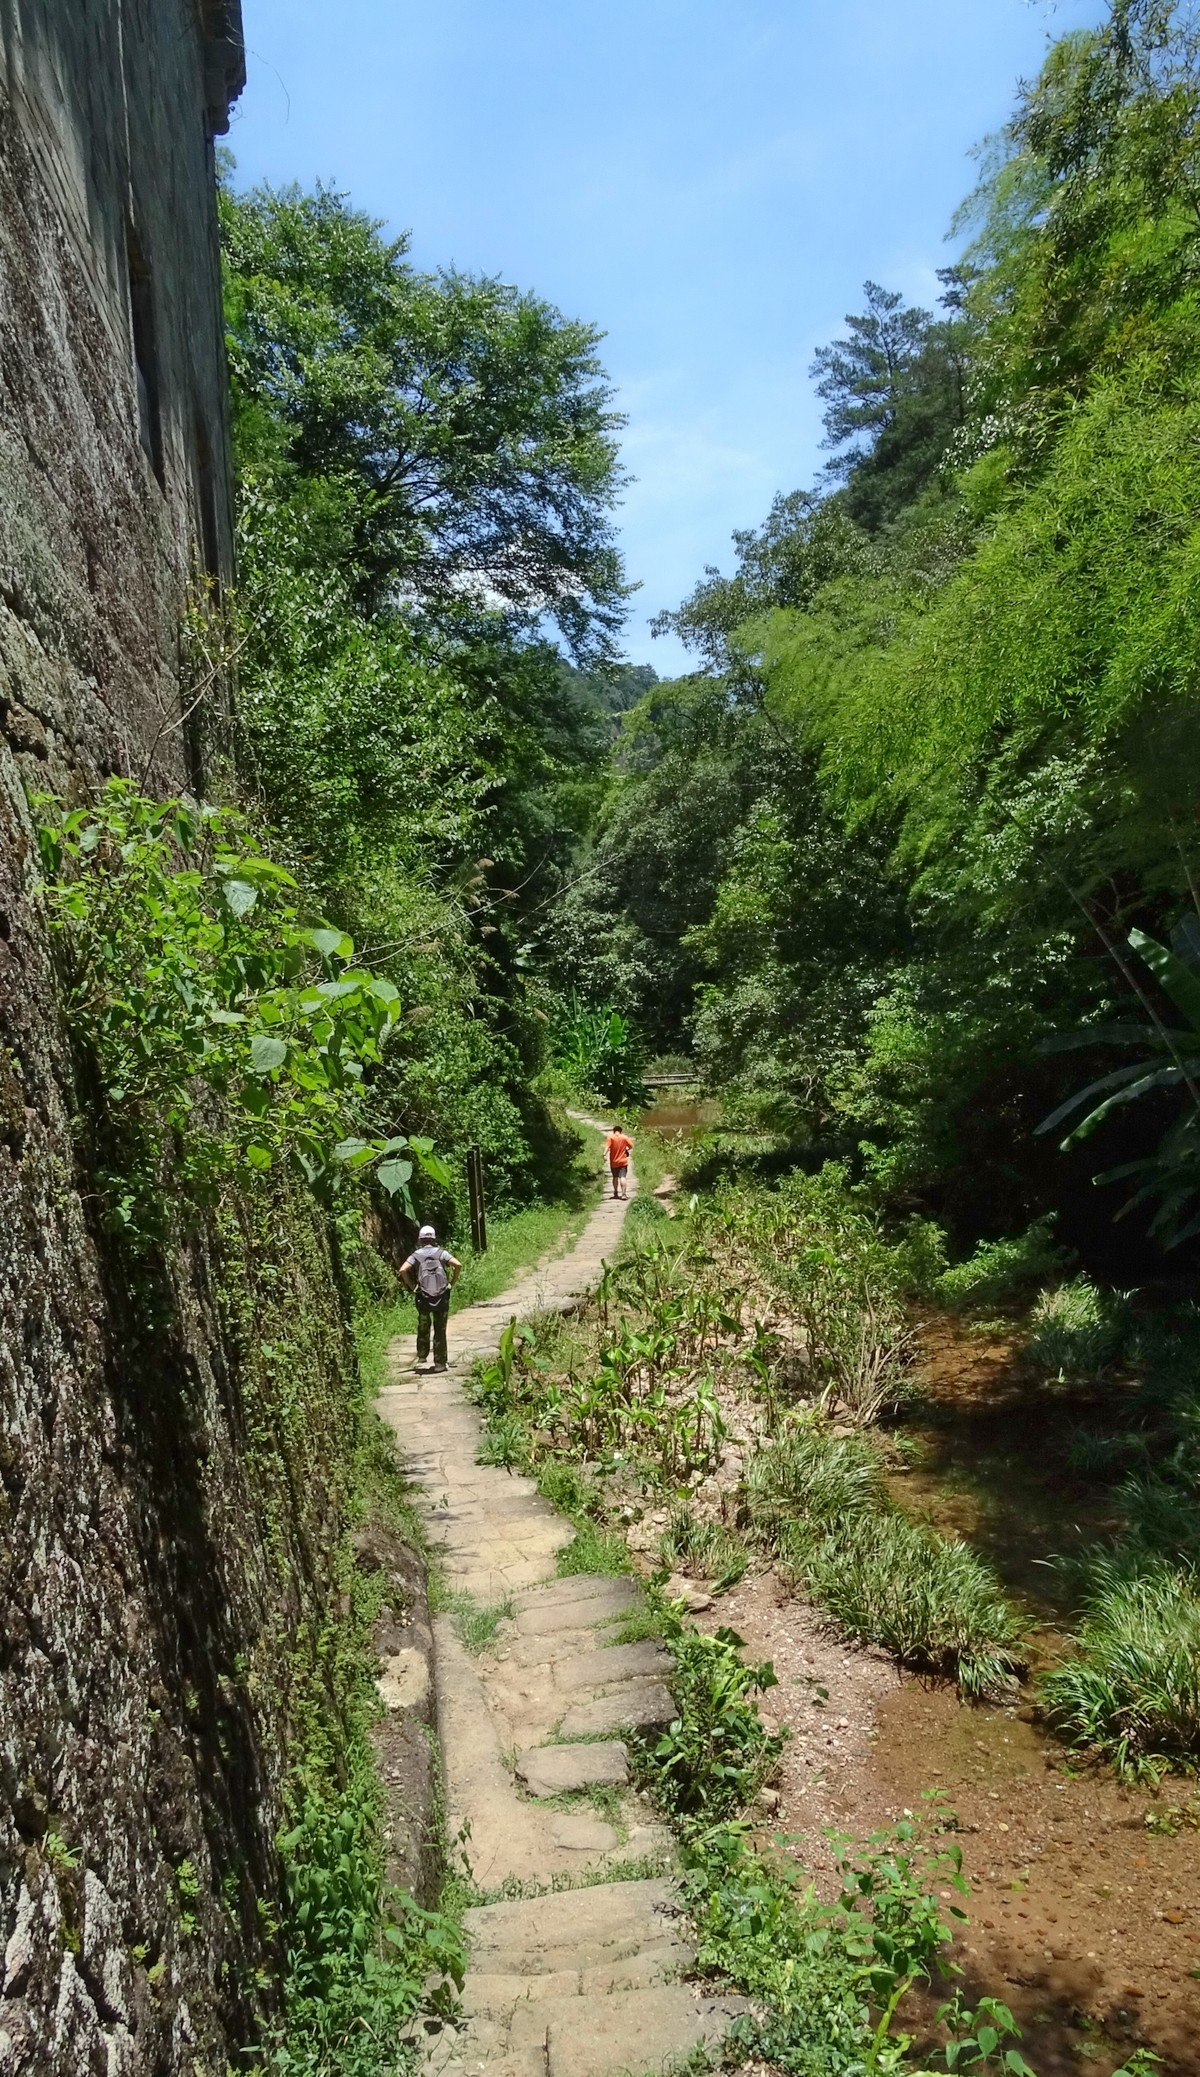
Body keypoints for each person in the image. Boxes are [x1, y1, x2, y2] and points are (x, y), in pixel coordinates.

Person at [400, 1224, 462, 1371]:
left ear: (420, 1239)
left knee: (423, 1325)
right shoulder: (442, 1253)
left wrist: (412, 1286)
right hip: (441, 1296)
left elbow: (402, 1269)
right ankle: (440, 1363)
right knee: (440, 1329)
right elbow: (458, 1264)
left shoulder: (415, 1255)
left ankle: (422, 1355)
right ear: (434, 1238)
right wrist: (451, 1283)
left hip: (423, 1296)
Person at [604, 1126, 634, 1200]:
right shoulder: (624, 1137)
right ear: (621, 1131)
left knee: (615, 1177)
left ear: (614, 1131)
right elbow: (631, 1146)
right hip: (623, 1162)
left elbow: (607, 1147)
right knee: (623, 1177)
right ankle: (623, 1194)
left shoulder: (610, 1138)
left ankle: (615, 1193)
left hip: (614, 1162)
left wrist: (604, 1154)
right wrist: (626, 1149)